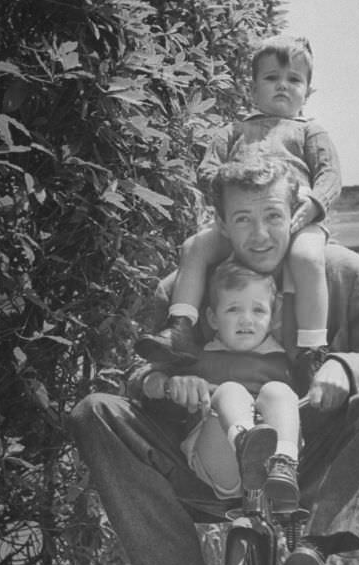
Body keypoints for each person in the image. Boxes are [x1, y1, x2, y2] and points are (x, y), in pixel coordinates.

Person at [69, 156, 359, 565]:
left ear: (296, 215)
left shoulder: (342, 273)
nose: (260, 235)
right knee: (94, 412)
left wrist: (343, 367)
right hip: (208, 449)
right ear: (221, 223)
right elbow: (137, 373)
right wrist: (163, 385)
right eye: (243, 219)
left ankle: (316, 550)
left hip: (307, 459)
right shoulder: (186, 287)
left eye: (273, 217)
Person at [136, 34, 341, 389]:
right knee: (195, 247)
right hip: (244, 218)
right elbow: (207, 170)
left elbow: (330, 175)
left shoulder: (310, 132)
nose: (283, 86)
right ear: (253, 88)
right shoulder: (233, 131)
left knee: (308, 259)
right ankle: (181, 327)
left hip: (296, 216)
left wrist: (313, 205)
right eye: (272, 78)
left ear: (306, 91)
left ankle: (311, 350)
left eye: (294, 79)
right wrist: (233, 187)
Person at [143, 259, 302, 512]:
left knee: (279, 392)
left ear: (273, 318)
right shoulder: (199, 357)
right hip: (219, 456)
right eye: (233, 309)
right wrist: (167, 384)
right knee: (230, 391)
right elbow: (147, 382)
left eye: (258, 310)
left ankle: (284, 464)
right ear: (213, 318)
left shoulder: (284, 359)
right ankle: (245, 443)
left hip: (273, 466)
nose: (246, 320)